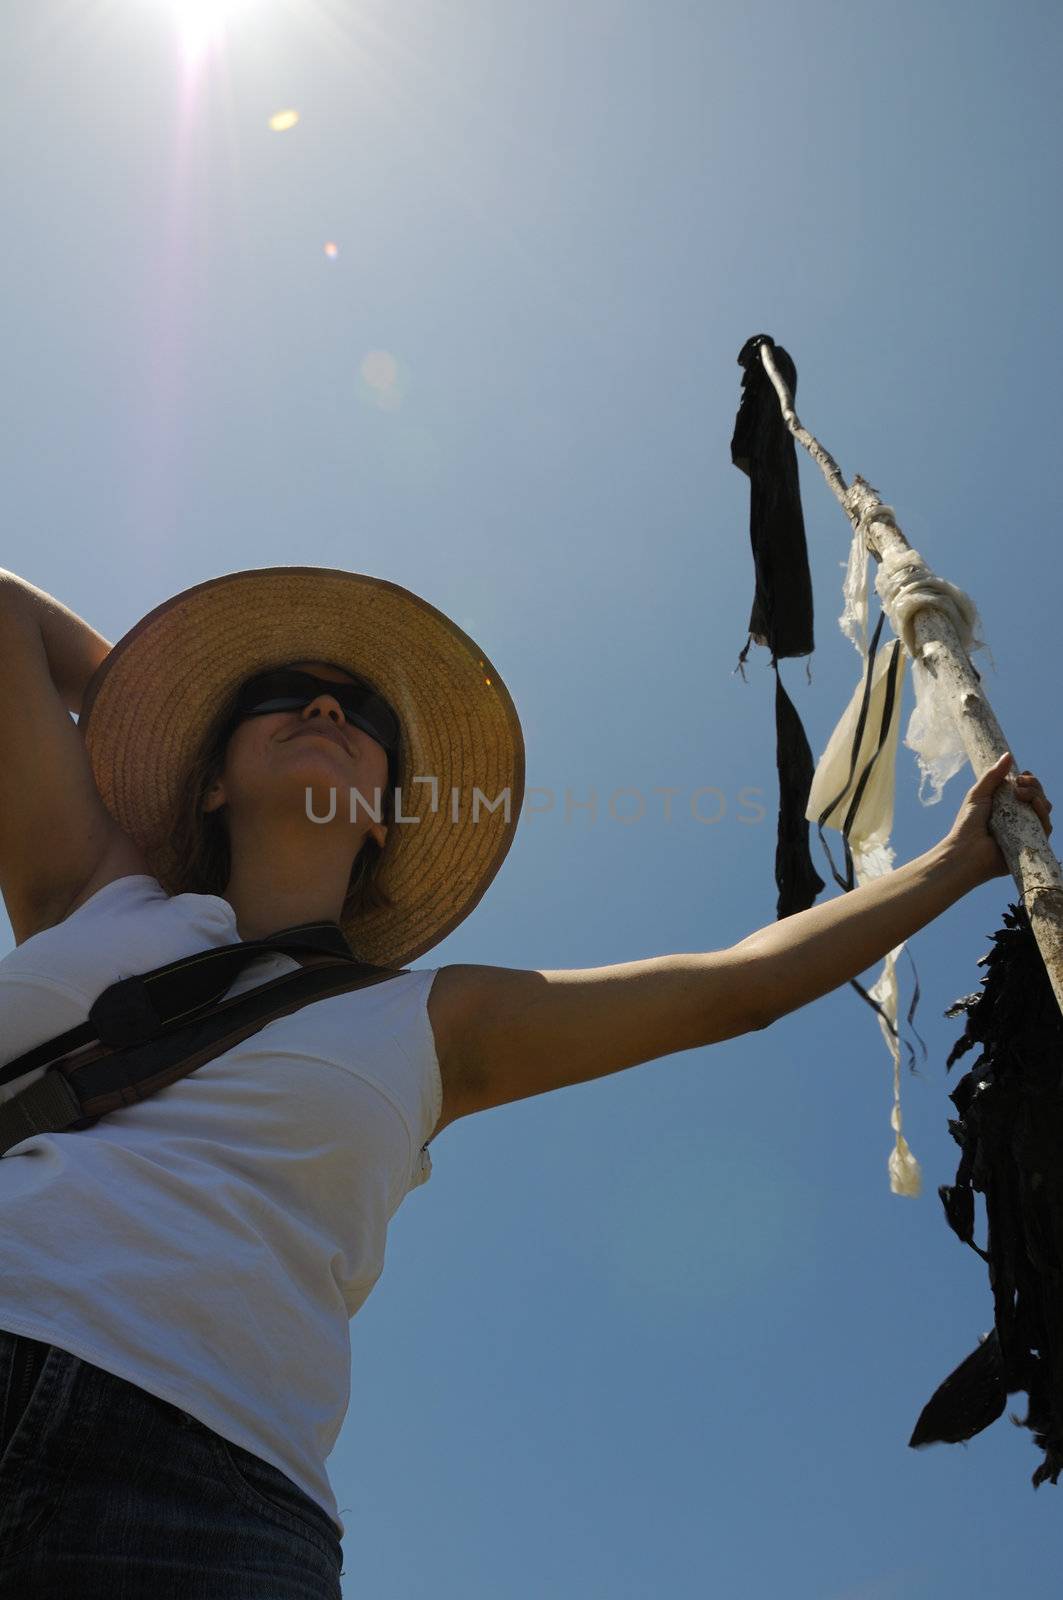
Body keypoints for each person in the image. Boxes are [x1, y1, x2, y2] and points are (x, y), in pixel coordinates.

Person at [0, 565, 1053, 1599]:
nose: (325, 704)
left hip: (209, 1491)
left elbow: (739, 986)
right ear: (213, 778)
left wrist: (954, 862)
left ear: (380, 813)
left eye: (360, 712)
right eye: (277, 699)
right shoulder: (91, 891)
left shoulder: (436, 1018)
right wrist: (149, 698)